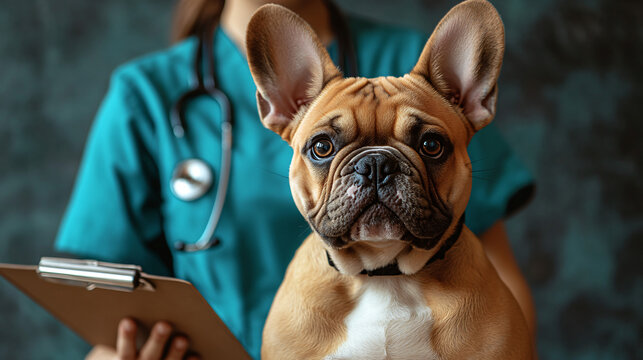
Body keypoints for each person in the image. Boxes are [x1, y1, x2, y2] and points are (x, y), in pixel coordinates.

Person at [55, 0, 537, 358]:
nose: (373, 172)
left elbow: (501, 291)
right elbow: (110, 319)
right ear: (277, 103)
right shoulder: (145, 92)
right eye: (325, 149)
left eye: (427, 146)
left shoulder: (421, 66)